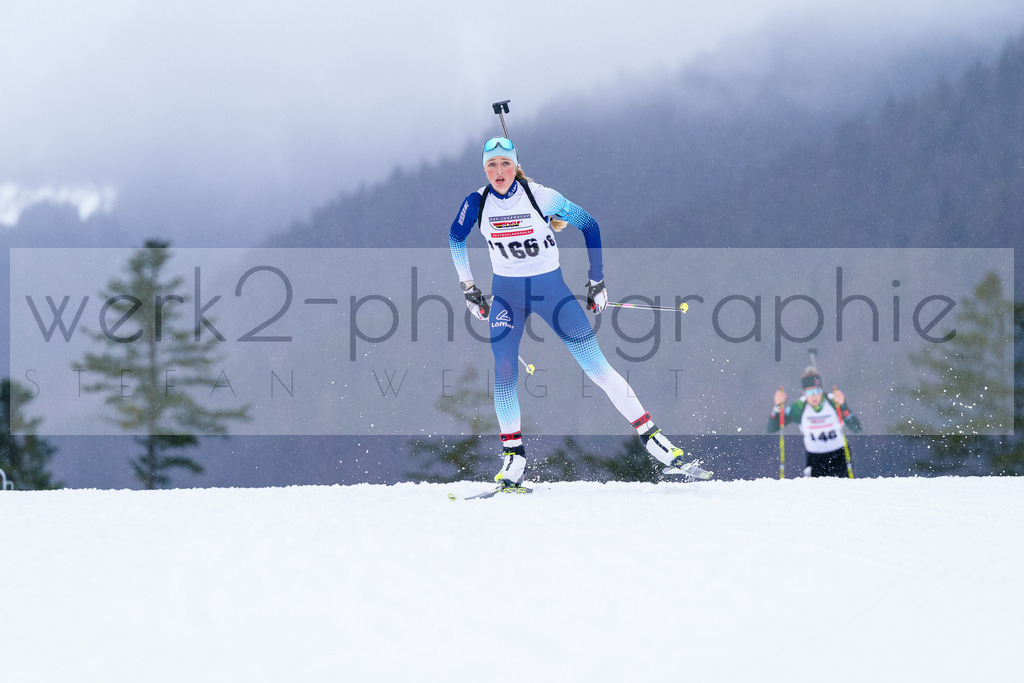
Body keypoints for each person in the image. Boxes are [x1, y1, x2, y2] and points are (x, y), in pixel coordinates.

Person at [447, 136, 711, 490]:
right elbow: (455, 237)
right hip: (507, 298)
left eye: (505, 164)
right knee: (505, 368)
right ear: (484, 168)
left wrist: (597, 283)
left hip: (551, 293)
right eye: (492, 165)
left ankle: (658, 443)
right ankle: (514, 458)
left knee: (598, 368)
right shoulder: (476, 202)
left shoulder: (541, 196)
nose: (499, 171)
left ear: (515, 165)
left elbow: (589, 223)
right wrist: (469, 289)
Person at [767, 367, 863, 477]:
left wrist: (843, 406)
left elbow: (857, 428)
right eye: (810, 392)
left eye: (817, 391)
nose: (814, 396)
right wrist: (778, 406)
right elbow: (772, 428)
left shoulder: (833, 402)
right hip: (815, 458)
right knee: (815, 493)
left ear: (822, 390)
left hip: (839, 456)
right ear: (804, 393)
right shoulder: (799, 407)